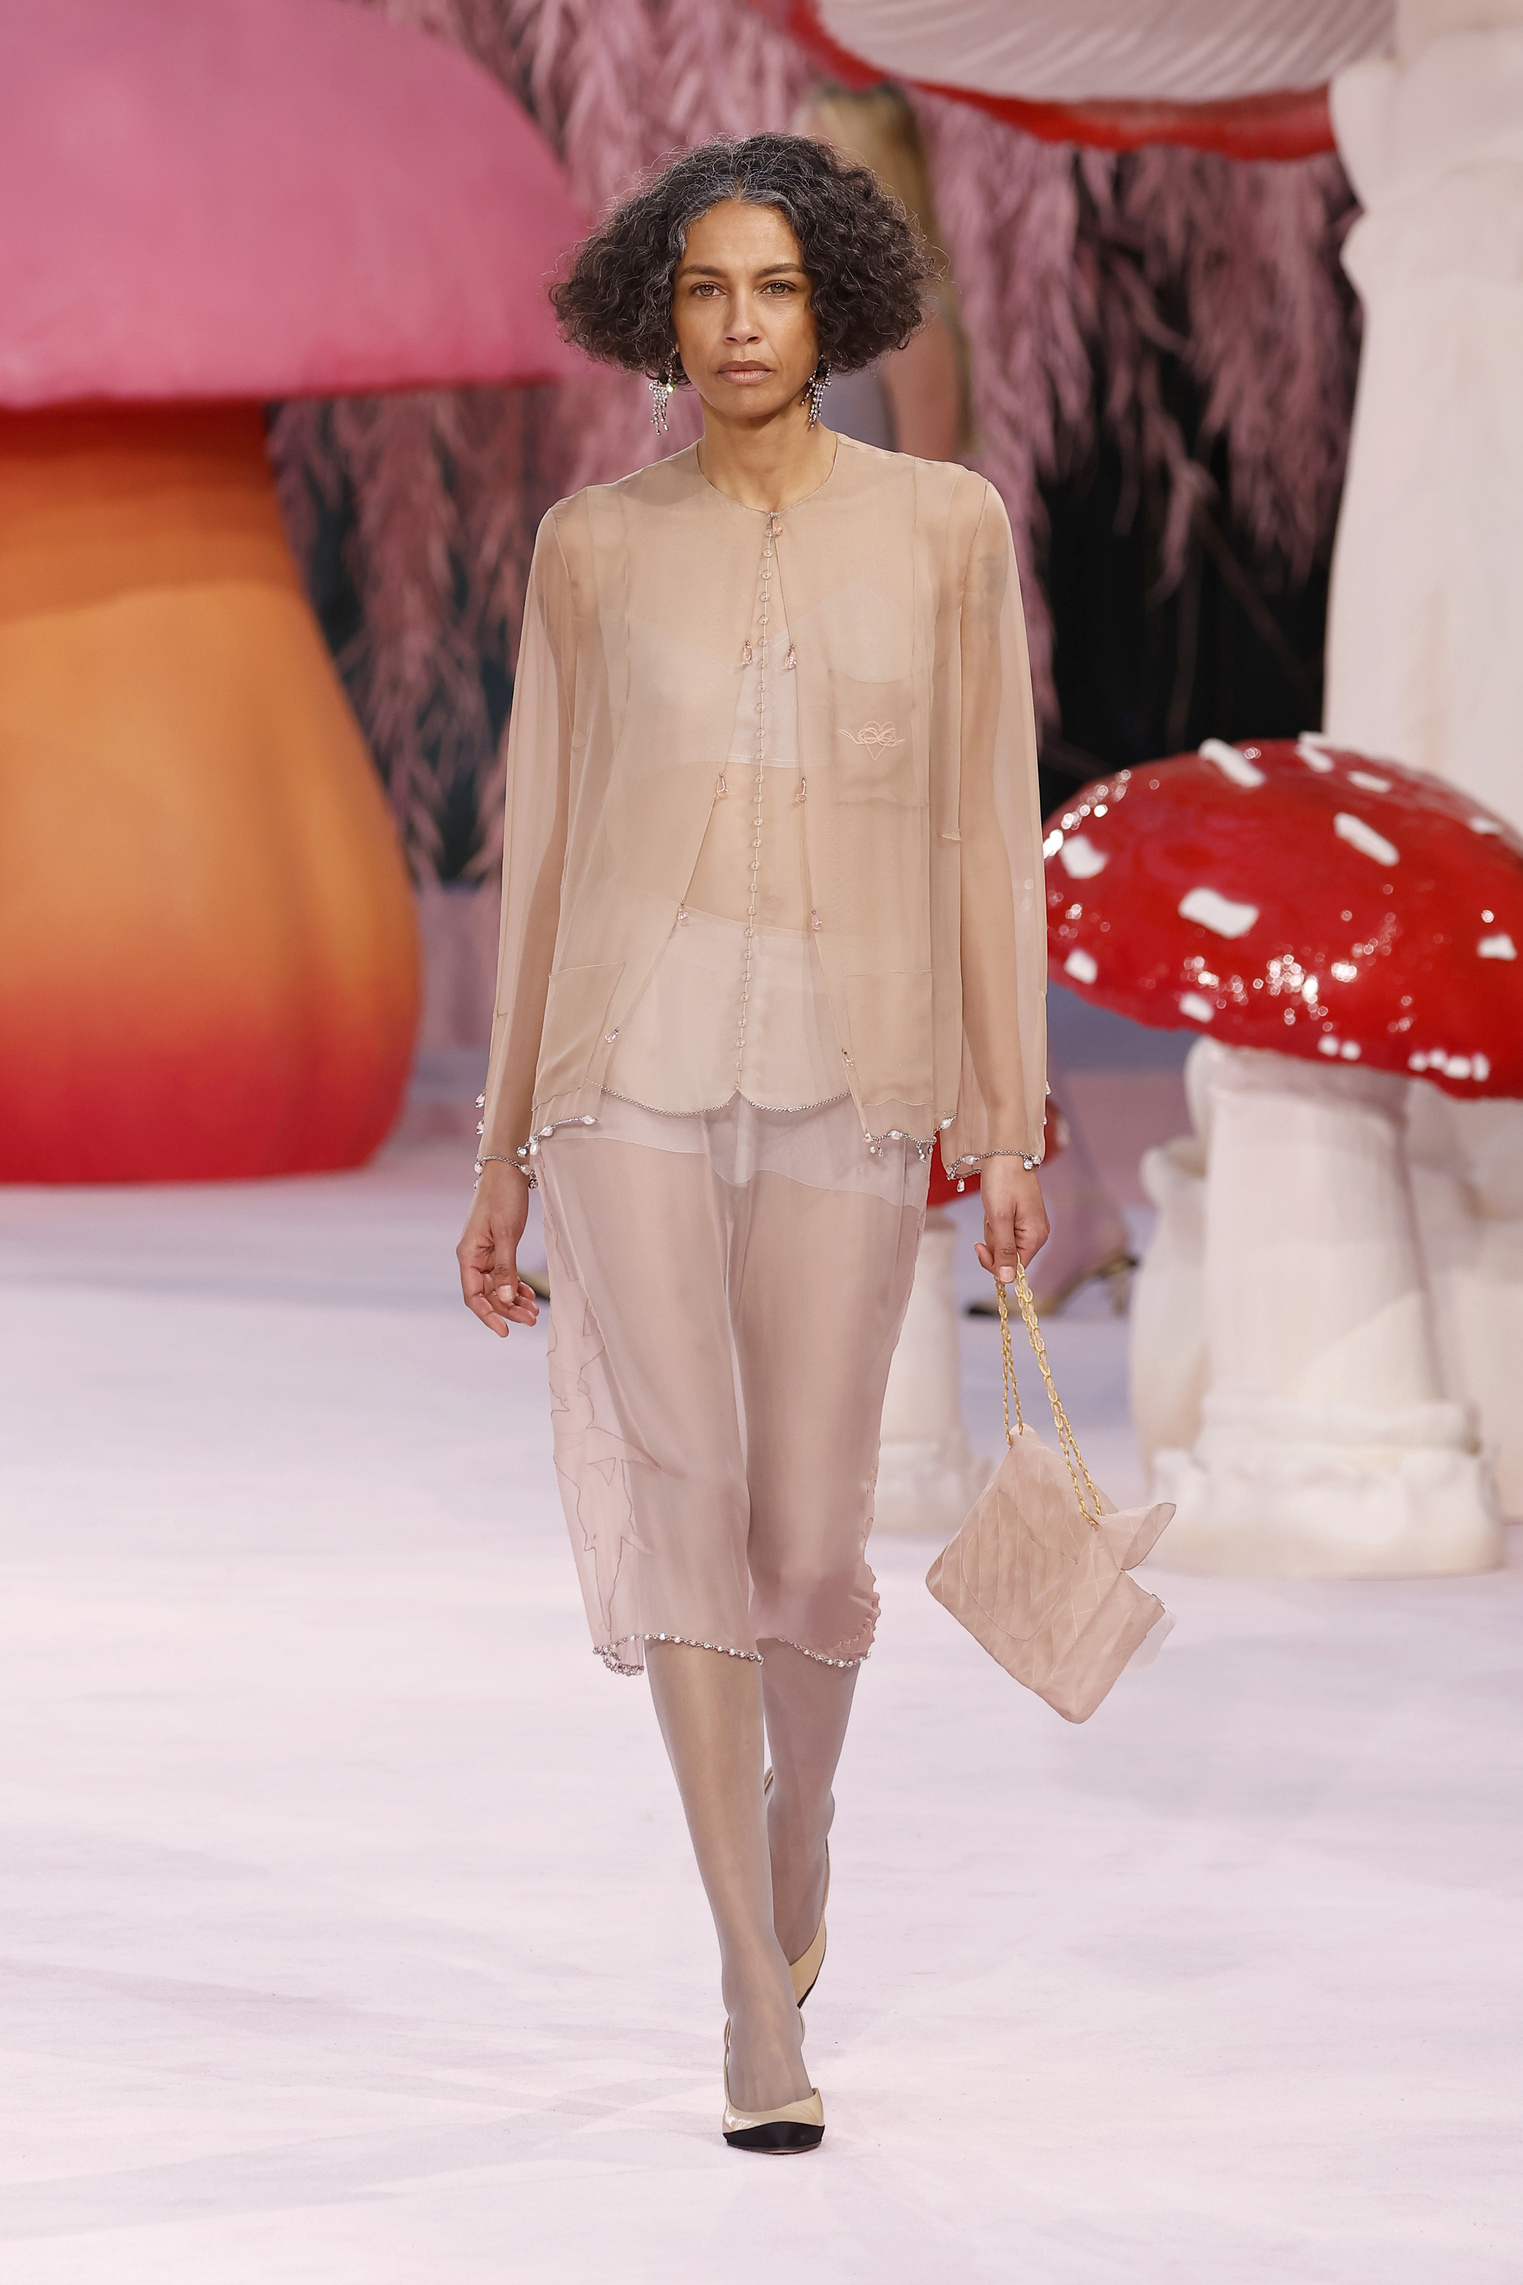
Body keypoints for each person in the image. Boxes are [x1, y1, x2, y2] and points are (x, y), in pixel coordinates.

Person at [456, 135, 1048, 2154]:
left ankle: (798, 1833)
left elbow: (982, 830)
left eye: (773, 288)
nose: (735, 325)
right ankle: (745, 1983)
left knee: (804, 1534)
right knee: (690, 1494)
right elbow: (542, 848)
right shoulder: (591, 546)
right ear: (657, 311)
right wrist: (498, 1154)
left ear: (833, 306)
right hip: (620, 1056)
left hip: (851, 1055)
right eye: (703, 289)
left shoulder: (943, 527)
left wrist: (1008, 1112)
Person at [800, 83, 1134, 1313]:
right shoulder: (822, 323)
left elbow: (929, 506)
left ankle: (1072, 1207)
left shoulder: (907, 326)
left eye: (821, 156)